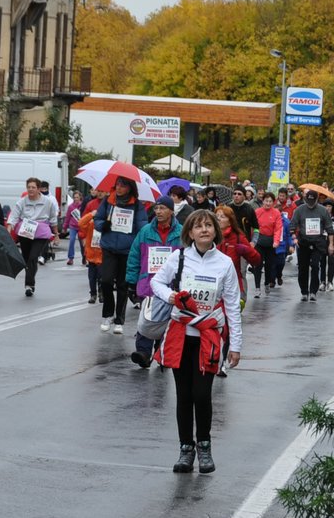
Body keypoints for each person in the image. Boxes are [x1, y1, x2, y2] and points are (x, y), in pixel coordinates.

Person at [150, 210, 242, 474]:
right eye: (198, 226)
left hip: (208, 337)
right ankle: (185, 449)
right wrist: (170, 296)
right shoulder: (178, 258)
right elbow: (156, 281)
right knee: (184, 395)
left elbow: (233, 306)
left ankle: (204, 445)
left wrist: (235, 345)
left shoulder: (224, 263)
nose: (204, 230)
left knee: (202, 395)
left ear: (216, 230)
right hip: (181, 336)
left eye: (208, 226)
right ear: (189, 232)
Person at [125, 197, 183, 368]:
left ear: (171, 211)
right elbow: (134, 255)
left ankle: (161, 351)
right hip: (148, 282)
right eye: (157, 208)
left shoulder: (181, 232)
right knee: (147, 317)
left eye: (163, 208)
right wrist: (131, 281)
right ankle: (143, 352)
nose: (158, 211)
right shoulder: (145, 232)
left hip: (171, 286)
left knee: (168, 319)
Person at [93, 177, 146, 334]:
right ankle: (107, 314)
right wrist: (104, 225)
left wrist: (138, 243)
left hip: (127, 250)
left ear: (130, 188)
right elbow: (97, 220)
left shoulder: (137, 205)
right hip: (109, 247)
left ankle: (119, 320)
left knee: (123, 285)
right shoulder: (109, 201)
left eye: (123, 185)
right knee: (106, 281)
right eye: (117, 184)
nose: (119, 187)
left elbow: (142, 226)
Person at [8, 177, 60, 299]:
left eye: (33, 187)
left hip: (41, 233)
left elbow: (53, 219)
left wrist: (56, 235)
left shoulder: (48, 202)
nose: (31, 190)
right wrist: (9, 229)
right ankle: (30, 281)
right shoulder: (21, 201)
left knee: (33, 257)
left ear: (38, 189)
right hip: (26, 231)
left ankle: (29, 285)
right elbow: (14, 217)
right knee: (26, 259)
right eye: (29, 187)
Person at [292, 190, 334, 302]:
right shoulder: (299, 210)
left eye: (312, 201)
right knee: (303, 268)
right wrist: (294, 238)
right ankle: (304, 291)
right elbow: (292, 226)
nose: (310, 203)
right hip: (303, 242)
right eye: (308, 200)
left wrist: (331, 245)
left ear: (317, 199)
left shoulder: (323, 210)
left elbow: (330, 229)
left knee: (315, 266)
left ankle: (313, 291)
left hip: (317, 243)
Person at [252, 193, 283, 296]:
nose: (268, 203)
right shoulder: (257, 212)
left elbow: (278, 228)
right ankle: (257, 288)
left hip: (270, 242)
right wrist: (253, 240)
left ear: (273, 202)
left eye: (270, 201)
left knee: (269, 266)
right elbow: (253, 226)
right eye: (266, 201)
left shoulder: (276, 213)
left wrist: (276, 241)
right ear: (263, 201)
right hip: (259, 240)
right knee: (258, 265)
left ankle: (266, 283)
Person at [77, 193, 104, 304]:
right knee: (92, 277)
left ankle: (101, 293)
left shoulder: (105, 225)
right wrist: (91, 214)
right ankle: (93, 294)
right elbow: (81, 223)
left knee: (102, 277)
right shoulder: (91, 224)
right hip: (91, 255)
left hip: (103, 254)